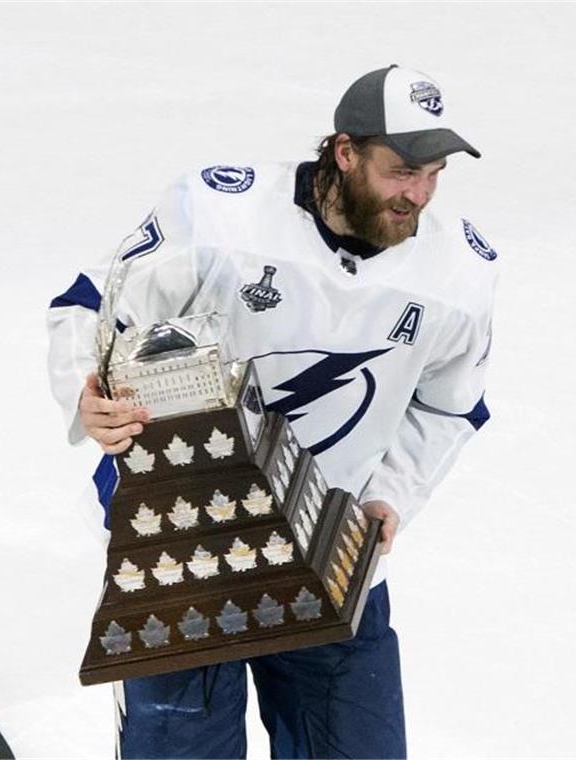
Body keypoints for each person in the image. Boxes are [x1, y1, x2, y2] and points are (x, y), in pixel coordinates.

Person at [47, 64, 498, 759]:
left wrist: (389, 496)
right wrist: (89, 391)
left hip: (333, 547)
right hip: (183, 548)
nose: (418, 194)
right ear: (345, 152)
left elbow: (448, 405)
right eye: (400, 170)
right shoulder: (217, 214)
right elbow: (93, 309)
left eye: (434, 173)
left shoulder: (458, 276)